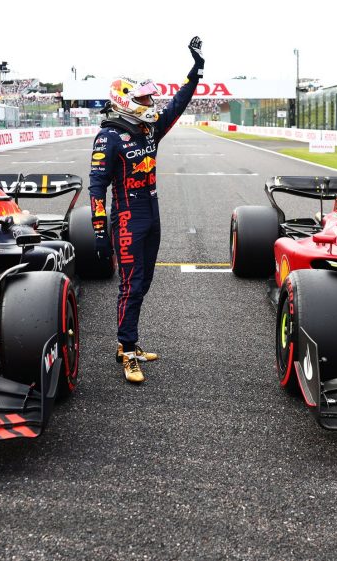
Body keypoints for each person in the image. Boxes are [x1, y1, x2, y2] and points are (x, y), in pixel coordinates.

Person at [88, 36, 205, 383]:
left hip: (152, 211)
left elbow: (178, 105)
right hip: (126, 216)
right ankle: (127, 349)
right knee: (130, 285)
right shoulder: (107, 138)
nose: (150, 102)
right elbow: (96, 186)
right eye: (142, 98)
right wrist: (98, 228)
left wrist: (196, 70)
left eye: (149, 96)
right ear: (125, 101)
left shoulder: (149, 128)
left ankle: (131, 342)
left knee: (144, 282)